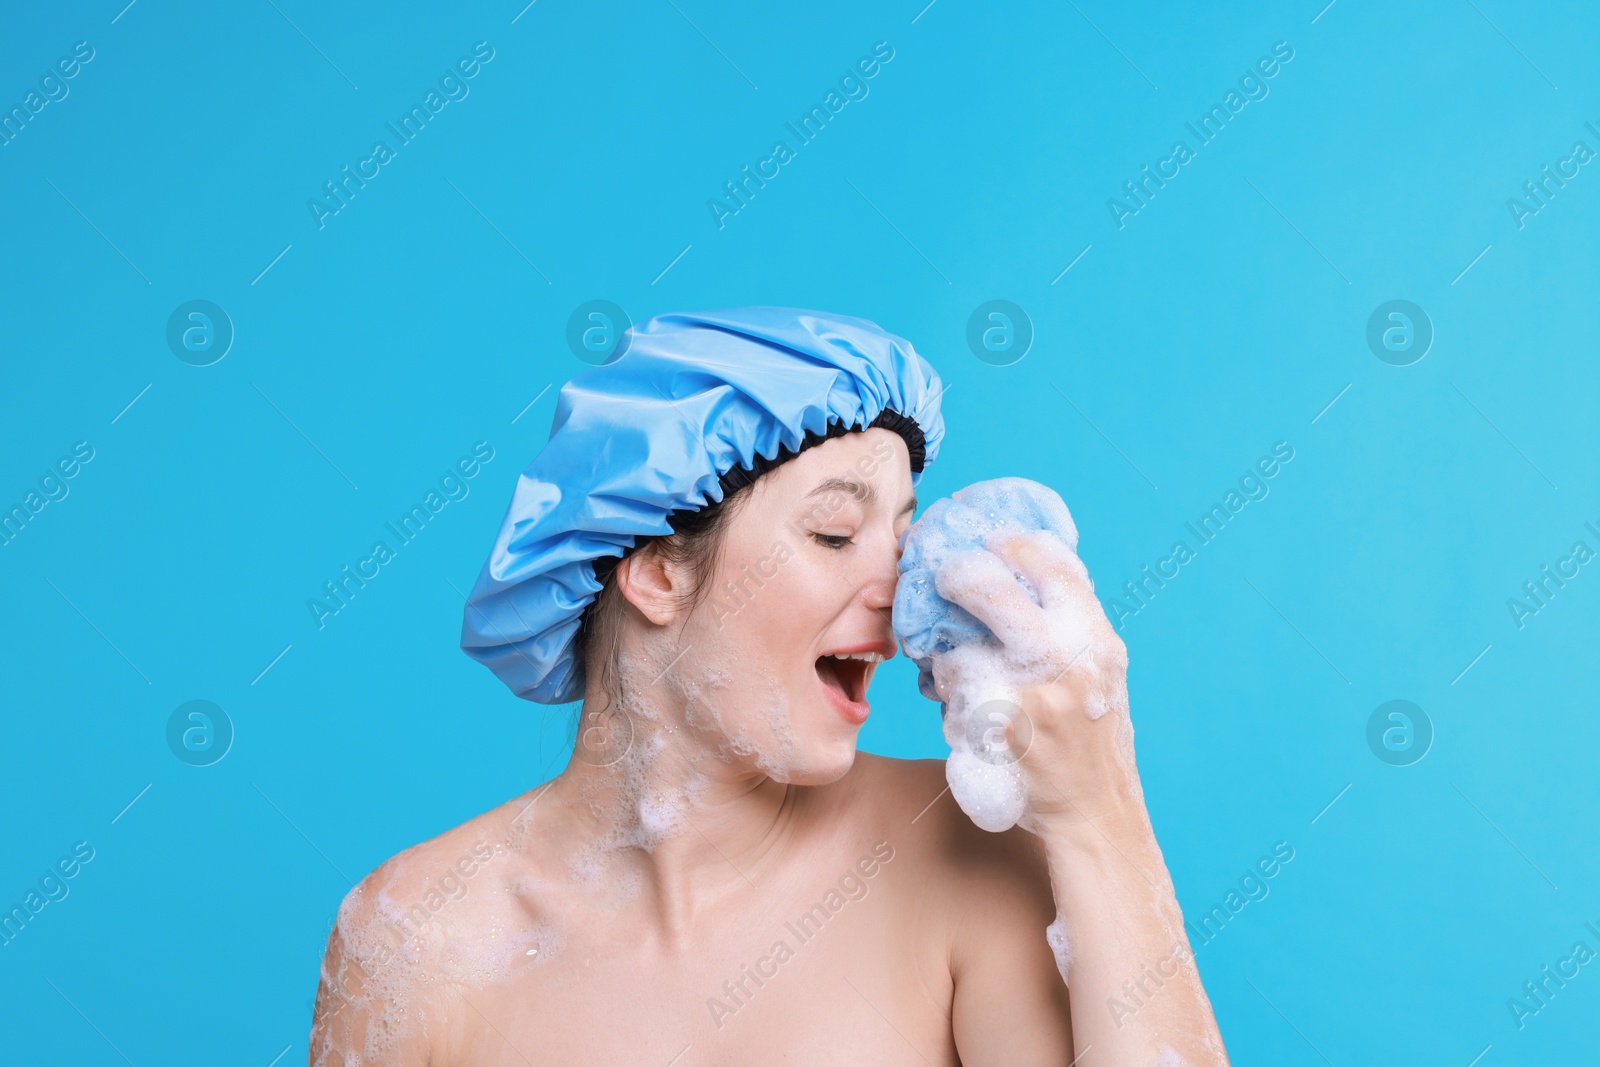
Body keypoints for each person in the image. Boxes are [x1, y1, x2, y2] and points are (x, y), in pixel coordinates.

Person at [309, 308, 1228, 1065]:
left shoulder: (959, 857)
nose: (901, 597)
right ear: (660, 569)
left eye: (902, 537)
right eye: (835, 534)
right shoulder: (416, 939)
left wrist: (1099, 810)